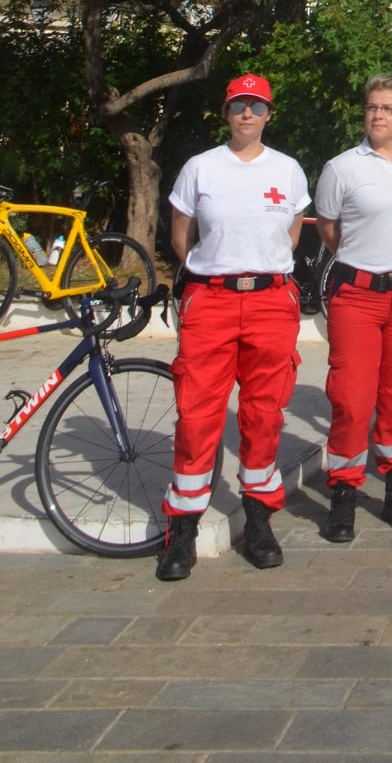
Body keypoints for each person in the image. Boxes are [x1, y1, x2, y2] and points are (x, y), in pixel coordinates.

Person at [156, 73, 310, 582]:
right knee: (197, 414)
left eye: (257, 106)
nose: (248, 114)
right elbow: (182, 237)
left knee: (264, 413)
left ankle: (259, 518)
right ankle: (183, 529)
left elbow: (291, 236)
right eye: (239, 105)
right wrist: (215, 271)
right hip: (212, 301)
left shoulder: (287, 170)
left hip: (270, 301)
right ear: (226, 112)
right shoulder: (200, 167)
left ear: (269, 114)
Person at [313, 74, 392, 544]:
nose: (377, 115)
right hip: (357, 295)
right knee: (351, 398)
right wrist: (361, 261)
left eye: (388, 109)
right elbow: (328, 227)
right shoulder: (342, 167)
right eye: (371, 107)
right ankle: (344, 492)